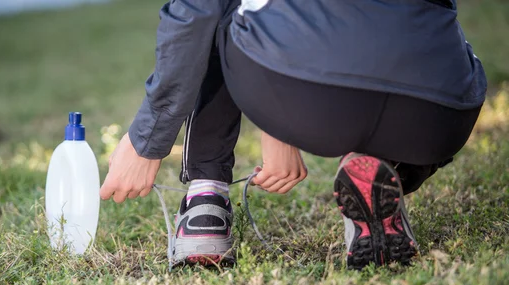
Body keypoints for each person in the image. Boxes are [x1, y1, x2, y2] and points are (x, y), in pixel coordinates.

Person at [99, 0, 486, 269]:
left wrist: (146, 142)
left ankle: (206, 202)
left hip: (306, 98)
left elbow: (195, 14)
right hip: (441, 110)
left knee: (218, 9)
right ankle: (386, 170)